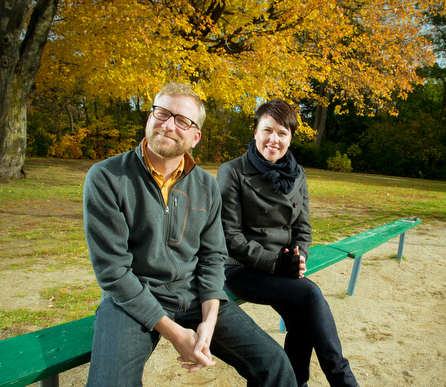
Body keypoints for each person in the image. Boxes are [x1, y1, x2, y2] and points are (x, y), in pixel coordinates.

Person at [83, 83, 296, 387]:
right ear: (149, 117)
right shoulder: (106, 177)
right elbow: (113, 273)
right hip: (130, 300)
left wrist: (208, 321)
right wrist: (176, 334)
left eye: (182, 120)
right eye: (162, 113)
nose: (168, 125)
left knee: (275, 364)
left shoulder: (206, 186)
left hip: (194, 296)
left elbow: (212, 258)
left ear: (195, 137)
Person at [216, 98, 360, 387]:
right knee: (309, 295)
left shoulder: (298, 174)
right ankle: (342, 379)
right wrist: (276, 263)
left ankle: (296, 383)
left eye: (282, 133)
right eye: (267, 130)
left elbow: (303, 227)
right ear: (255, 132)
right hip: (239, 268)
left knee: (302, 317)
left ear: (290, 138)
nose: (274, 139)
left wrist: (299, 257)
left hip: (284, 266)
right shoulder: (232, 171)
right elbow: (229, 237)